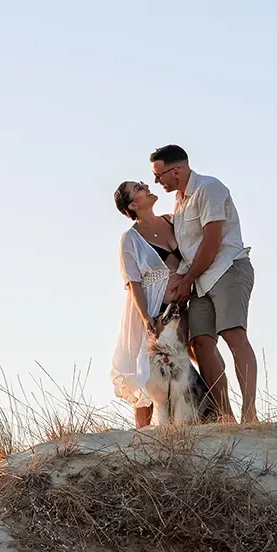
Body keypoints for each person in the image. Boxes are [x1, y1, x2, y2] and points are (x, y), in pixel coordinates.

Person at [151, 144, 258, 423]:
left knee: (235, 335)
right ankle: (225, 416)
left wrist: (186, 281)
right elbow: (188, 249)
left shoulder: (209, 188)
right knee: (200, 342)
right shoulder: (179, 202)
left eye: (159, 174)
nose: (157, 181)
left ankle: (250, 414)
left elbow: (212, 242)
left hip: (227, 269)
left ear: (177, 169)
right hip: (198, 280)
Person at [110, 180, 183, 427]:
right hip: (153, 311)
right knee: (146, 374)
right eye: (139, 187)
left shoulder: (172, 221)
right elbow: (134, 283)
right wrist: (146, 319)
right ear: (132, 204)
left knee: (183, 369)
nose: (145, 186)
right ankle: (142, 439)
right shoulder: (130, 238)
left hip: (183, 307)